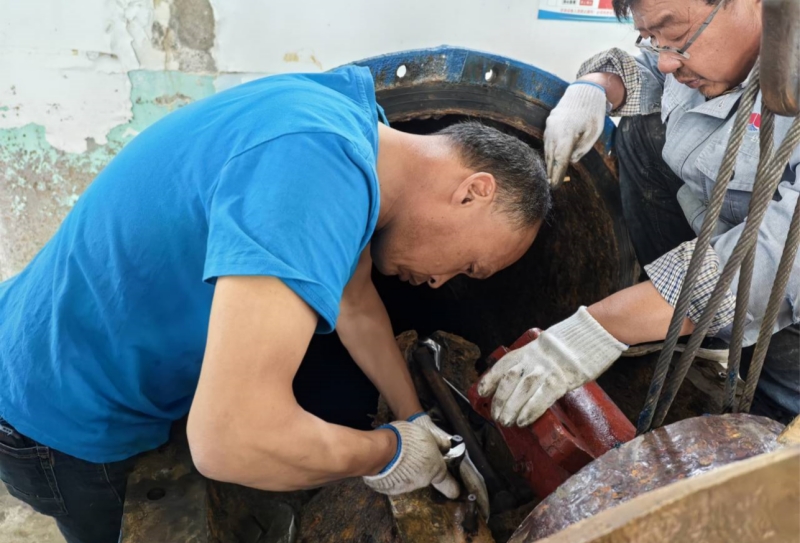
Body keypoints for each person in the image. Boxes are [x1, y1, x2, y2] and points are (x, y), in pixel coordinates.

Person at [0, 65, 551, 543]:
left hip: (50, 342)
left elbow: (355, 301)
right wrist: (388, 453)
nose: (440, 282)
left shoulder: (352, 131)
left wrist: (415, 419)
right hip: (59, 414)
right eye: (468, 265)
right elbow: (229, 440)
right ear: (473, 191)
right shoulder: (313, 174)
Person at [479, 0, 799, 427]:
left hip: (786, 295)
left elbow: (776, 262)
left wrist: (595, 330)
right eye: (652, 37)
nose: (667, 60)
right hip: (723, 230)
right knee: (640, 128)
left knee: (777, 427)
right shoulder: (700, 57)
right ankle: (682, 327)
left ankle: (773, 394)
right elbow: (650, 70)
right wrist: (596, 86)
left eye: (676, 36)